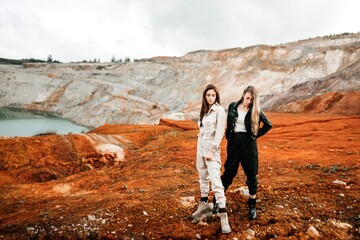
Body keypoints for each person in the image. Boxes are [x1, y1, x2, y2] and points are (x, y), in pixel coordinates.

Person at [220, 85, 272, 220]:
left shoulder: (256, 110)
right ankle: (218, 200)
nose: (249, 102)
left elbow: (268, 125)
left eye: (252, 100)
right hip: (234, 143)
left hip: (249, 144)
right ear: (243, 95)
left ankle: (252, 204)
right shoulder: (232, 106)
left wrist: (256, 135)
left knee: (251, 173)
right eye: (247, 98)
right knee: (229, 172)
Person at [191, 84, 231, 234]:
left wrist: (212, 151)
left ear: (216, 97)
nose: (210, 98)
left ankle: (223, 216)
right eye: (208, 95)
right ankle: (203, 205)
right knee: (202, 176)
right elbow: (202, 129)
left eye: (213, 95)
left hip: (211, 149)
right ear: (204, 96)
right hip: (200, 146)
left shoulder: (219, 111)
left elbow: (219, 133)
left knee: (216, 181)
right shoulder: (204, 111)